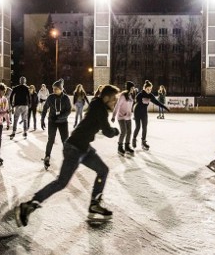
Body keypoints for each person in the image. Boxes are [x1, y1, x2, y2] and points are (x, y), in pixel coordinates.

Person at [16, 85, 121, 226]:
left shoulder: (98, 105)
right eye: (114, 99)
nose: (115, 102)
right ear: (106, 97)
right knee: (61, 182)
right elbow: (108, 132)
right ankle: (29, 205)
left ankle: (95, 204)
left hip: (84, 148)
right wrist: (115, 131)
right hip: (75, 148)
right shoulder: (99, 108)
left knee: (103, 170)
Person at [41, 79, 72, 169]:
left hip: (63, 122)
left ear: (61, 89)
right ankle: (47, 157)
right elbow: (45, 108)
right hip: (52, 122)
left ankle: (68, 159)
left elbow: (68, 110)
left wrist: (60, 117)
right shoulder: (50, 97)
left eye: (56, 89)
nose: (54, 90)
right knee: (51, 140)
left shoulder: (65, 98)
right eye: (53, 89)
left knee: (65, 141)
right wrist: (42, 119)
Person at [132, 80, 169, 150]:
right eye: (147, 89)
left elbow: (157, 102)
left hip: (144, 113)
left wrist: (165, 108)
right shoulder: (140, 94)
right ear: (144, 88)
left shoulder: (150, 96)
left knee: (145, 127)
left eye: (150, 89)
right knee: (138, 127)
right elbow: (135, 102)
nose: (149, 91)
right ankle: (134, 139)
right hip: (137, 112)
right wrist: (134, 114)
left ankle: (143, 141)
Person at [111, 81, 136, 156]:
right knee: (124, 131)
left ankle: (127, 146)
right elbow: (117, 106)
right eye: (132, 87)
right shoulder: (122, 96)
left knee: (129, 132)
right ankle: (120, 147)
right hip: (121, 117)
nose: (133, 89)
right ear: (129, 88)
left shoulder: (131, 96)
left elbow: (131, 106)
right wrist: (113, 116)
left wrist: (132, 114)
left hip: (128, 117)